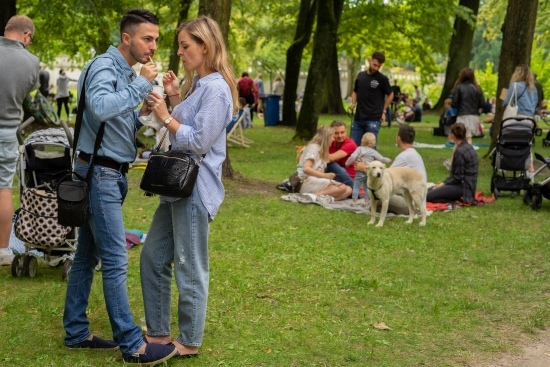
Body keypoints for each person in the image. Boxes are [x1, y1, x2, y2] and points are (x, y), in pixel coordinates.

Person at [62, 9, 178, 366]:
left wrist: (144, 108)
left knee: (86, 257)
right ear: (126, 38)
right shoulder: (105, 66)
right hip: (99, 174)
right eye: (147, 38)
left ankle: (76, 331)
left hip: (109, 172)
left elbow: (116, 120)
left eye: (156, 39)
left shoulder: (124, 73)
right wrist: (141, 84)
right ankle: (133, 345)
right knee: (114, 259)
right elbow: (98, 108)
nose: (153, 47)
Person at [141, 15, 238, 359]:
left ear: (205, 46)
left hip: (194, 188)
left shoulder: (217, 88)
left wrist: (167, 113)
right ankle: (157, 333)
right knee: (152, 256)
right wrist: (173, 94)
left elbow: (197, 140)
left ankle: (190, 341)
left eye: (185, 46)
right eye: (180, 46)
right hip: (175, 186)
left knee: (189, 264)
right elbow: (184, 119)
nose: (180, 53)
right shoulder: (200, 85)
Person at [0, 15, 39, 267]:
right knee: (3, 188)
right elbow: (28, 96)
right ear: (26, 35)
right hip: (7, 130)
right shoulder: (32, 62)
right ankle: (3, 250)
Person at [355, 124, 427, 215]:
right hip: (415, 197)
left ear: (398, 138)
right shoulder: (414, 153)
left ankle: (379, 208)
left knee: (377, 191)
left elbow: (383, 179)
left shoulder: (403, 157)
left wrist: (365, 168)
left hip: (410, 205)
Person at [349, 51, 393, 149]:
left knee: (369, 150)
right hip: (358, 118)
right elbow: (355, 91)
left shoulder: (382, 79)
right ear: (370, 61)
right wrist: (353, 103)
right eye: (375, 65)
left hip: (373, 119)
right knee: (352, 147)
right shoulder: (361, 76)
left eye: (379, 66)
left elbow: (390, 94)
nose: (376, 68)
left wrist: (384, 110)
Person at [297, 125, 352, 202]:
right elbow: (306, 169)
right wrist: (325, 175)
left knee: (349, 190)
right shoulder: (314, 147)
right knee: (342, 187)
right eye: (332, 137)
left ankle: (320, 199)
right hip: (308, 181)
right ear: (327, 137)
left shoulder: (322, 149)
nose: (333, 139)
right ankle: (313, 196)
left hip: (317, 180)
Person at [427, 123, 478, 204]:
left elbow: (458, 177)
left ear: (453, 136)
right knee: (428, 190)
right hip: (467, 186)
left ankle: (454, 201)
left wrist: (443, 184)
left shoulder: (460, 151)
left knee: (427, 196)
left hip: (464, 189)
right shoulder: (468, 147)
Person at [502, 64, 538, 172]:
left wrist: (504, 93)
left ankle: (509, 163)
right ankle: (530, 167)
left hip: (516, 117)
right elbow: (535, 104)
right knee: (526, 143)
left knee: (510, 140)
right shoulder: (533, 88)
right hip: (529, 119)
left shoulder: (514, 86)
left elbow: (506, 102)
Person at [345, 132, 392, 205]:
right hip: (368, 172)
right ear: (374, 143)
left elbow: (353, 156)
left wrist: (347, 163)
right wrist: (388, 160)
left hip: (359, 172)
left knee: (356, 186)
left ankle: (354, 201)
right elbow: (381, 158)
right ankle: (367, 201)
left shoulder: (359, 149)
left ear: (362, 141)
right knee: (367, 187)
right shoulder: (373, 152)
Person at [451, 67, 484, 144]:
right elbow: (482, 103)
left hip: (462, 115)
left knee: (460, 139)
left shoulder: (458, 87)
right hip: (474, 116)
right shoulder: (477, 88)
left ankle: (463, 155)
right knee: (468, 138)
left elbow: (454, 103)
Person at [327, 120, 356, 189]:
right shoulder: (330, 142)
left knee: (330, 164)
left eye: (342, 132)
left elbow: (331, 158)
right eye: (336, 133)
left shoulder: (350, 144)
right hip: (334, 174)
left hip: (348, 177)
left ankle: (353, 189)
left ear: (346, 131)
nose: (340, 136)